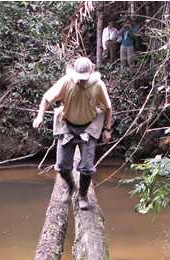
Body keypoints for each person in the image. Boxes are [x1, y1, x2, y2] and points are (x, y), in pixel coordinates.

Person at [33, 57, 113, 210]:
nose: (81, 82)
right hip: (67, 125)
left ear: (90, 73)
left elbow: (108, 108)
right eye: (79, 78)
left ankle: (82, 195)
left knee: (88, 168)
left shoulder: (97, 85)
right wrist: (40, 116)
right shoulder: (67, 81)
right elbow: (46, 98)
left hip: (89, 126)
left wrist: (107, 129)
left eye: (84, 79)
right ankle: (71, 187)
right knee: (62, 166)